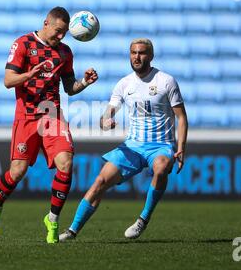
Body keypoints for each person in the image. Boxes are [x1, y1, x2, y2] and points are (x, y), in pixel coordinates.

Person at [0, 7, 98, 243]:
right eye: (58, 31)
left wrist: (85, 82)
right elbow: (8, 81)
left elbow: (69, 88)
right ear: (46, 23)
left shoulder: (65, 52)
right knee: (18, 171)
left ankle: (53, 220)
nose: (61, 37)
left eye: (65, 32)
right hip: (26, 116)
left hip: (52, 115)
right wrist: (29, 74)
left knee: (65, 164)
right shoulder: (23, 44)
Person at [59, 38, 188, 242]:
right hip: (133, 146)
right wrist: (106, 121)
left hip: (160, 146)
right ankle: (72, 230)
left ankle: (143, 219)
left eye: (142, 53)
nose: (137, 57)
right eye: (133, 53)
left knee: (162, 168)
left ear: (151, 56)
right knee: (100, 181)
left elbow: (181, 117)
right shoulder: (124, 84)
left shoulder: (166, 81)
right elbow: (104, 117)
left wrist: (180, 148)